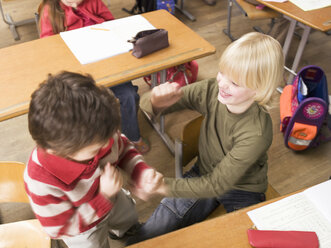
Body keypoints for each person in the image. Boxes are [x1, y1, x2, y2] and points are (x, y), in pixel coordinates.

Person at [127, 32, 284, 245]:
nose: (222, 83)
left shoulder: (256, 132)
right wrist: (154, 100)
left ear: (259, 90)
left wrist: (161, 186)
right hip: (203, 173)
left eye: (235, 82)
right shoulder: (211, 90)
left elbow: (217, 184)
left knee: (242, 241)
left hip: (243, 189)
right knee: (148, 235)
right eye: (222, 72)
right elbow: (148, 105)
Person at [24, 71, 163, 248]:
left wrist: (139, 172)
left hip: (113, 196)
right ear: (57, 150)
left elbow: (122, 147)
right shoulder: (40, 181)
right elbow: (60, 227)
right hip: (83, 230)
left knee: (127, 219)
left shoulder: (98, 131)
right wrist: (103, 197)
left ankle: (125, 231)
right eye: (97, 149)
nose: (108, 144)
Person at [38, 0, 150, 153]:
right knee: (84, 108)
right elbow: (47, 46)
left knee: (129, 95)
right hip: (75, 72)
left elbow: (112, 25)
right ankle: (91, 146)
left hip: (106, 63)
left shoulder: (94, 2)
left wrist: (90, 17)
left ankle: (132, 137)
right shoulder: (49, 10)